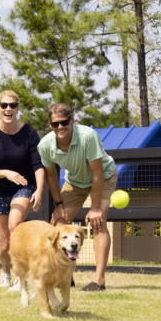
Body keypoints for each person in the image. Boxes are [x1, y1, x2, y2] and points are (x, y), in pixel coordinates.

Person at [37, 103, 117, 291]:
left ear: (72, 121)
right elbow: (51, 175)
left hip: (104, 176)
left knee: (98, 222)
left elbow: (97, 172)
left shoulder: (88, 137)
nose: (60, 127)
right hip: (75, 181)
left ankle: (99, 281)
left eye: (64, 122)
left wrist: (95, 207)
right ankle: (65, 276)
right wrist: (58, 205)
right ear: (50, 125)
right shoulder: (45, 145)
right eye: (55, 124)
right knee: (59, 225)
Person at [0, 90, 45, 290]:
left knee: (16, 225)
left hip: (24, 187)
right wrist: (6, 172)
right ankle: (5, 272)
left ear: (18, 108)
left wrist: (39, 190)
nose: (8, 109)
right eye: (4, 105)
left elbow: (38, 165)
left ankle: (20, 278)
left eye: (12, 105)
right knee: (5, 244)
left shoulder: (29, 133)